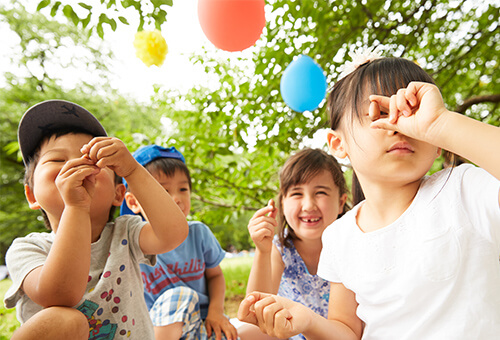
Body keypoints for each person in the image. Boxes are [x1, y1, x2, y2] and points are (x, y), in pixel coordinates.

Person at [237, 50, 500, 339]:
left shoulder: (464, 190)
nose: (398, 126)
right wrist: (309, 321)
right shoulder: (339, 237)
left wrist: (441, 124)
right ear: (338, 144)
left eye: (412, 112)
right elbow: (347, 331)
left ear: (437, 144)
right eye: (380, 113)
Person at [4, 100, 189, 340]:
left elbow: (173, 233)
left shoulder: (126, 233)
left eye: (93, 160)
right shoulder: (27, 249)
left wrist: (132, 170)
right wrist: (76, 207)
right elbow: (60, 295)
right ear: (32, 195)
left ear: (118, 194)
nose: (74, 164)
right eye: (57, 161)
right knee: (63, 320)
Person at [121, 144, 238, 340]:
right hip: (157, 330)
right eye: (163, 191)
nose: (176, 198)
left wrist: (216, 312)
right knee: (181, 295)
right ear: (133, 202)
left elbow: (215, 276)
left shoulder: (198, 233)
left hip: (203, 323)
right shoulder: (130, 241)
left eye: (183, 189)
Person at [238, 148, 348, 340]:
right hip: (292, 335)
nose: (308, 205)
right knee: (242, 333)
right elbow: (256, 310)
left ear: (341, 202)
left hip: (340, 334)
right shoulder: (280, 249)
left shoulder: (350, 245)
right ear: (282, 202)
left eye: (320, 192)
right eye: (297, 194)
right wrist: (262, 251)